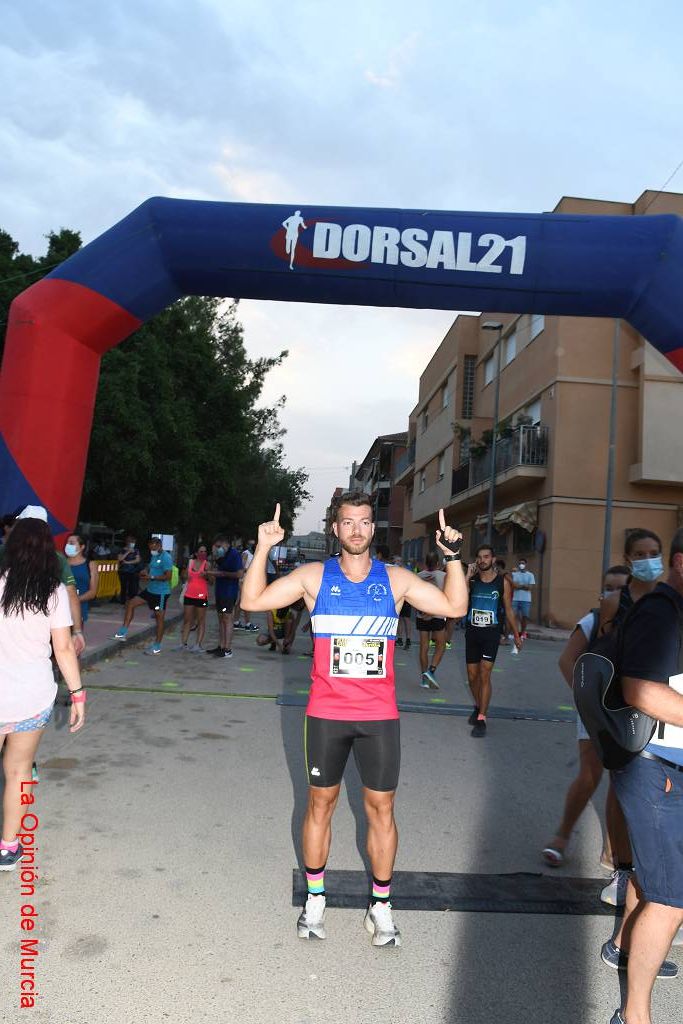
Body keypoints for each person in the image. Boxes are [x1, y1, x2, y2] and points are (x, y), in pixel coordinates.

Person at [240, 491, 468, 946]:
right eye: (348, 522)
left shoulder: (397, 581)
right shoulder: (313, 577)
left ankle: (381, 906)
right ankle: (316, 899)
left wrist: (453, 559)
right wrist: (264, 547)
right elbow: (252, 602)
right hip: (326, 714)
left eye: (365, 522)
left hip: (379, 716)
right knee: (319, 804)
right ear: (336, 529)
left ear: (373, 529)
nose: (358, 530)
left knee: (381, 809)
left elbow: (454, 607)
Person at [605, 527, 683, 1024]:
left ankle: (622, 945)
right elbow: (641, 690)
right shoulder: (662, 613)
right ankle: (635, 1016)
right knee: (672, 899)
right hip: (656, 767)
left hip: (667, 766)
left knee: (656, 880)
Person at [0, 518, 86, 870]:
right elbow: (63, 648)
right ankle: (8, 847)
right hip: (31, 697)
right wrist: (78, 694)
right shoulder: (53, 592)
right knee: (19, 771)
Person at [542, 564, 631, 869]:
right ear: (600, 592)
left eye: (622, 587)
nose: (615, 593)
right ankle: (562, 836)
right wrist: (587, 701)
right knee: (591, 774)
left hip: (630, 713)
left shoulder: (642, 621)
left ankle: (611, 850)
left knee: (622, 781)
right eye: (610, 587)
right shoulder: (591, 621)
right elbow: (567, 660)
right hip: (595, 710)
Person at [594, 529, 664, 907]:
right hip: (622, 705)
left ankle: (652, 876)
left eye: (655, 552)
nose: (649, 558)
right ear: (628, 556)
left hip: (661, 703)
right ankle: (620, 866)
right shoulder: (613, 602)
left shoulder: (670, 601)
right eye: (641, 553)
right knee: (621, 787)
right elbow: (602, 654)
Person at [1, 507, 86, 657]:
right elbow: (71, 593)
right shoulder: (57, 559)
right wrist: (77, 631)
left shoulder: (3, 551)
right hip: (39, 628)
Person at [465, 544, 520, 738]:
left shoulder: (501, 582)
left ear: (493, 559)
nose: (482, 560)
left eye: (486, 557)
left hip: (491, 634)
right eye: (479, 557)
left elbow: (509, 610)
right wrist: (466, 577)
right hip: (472, 632)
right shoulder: (471, 581)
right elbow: (460, 600)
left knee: (484, 673)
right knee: (472, 676)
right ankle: (479, 705)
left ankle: (482, 717)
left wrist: (517, 634)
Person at [113, 536, 173, 654]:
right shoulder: (154, 556)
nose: (152, 550)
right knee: (131, 603)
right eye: (150, 548)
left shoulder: (166, 557)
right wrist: (145, 572)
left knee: (159, 618)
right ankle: (123, 632)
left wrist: (151, 577)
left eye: (154, 547)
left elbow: (168, 576)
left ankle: (157, 646)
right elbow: (150, 568)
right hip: (150, 590)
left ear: (159, 545)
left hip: (160, 593)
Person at [205, 536, 243, 659]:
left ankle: (227, 649)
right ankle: (221, 646)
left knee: (227, 619)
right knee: (221, 618)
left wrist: (221, 574)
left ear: (225, 545)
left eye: (218, 547)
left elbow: (239, 573)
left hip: (229, 592)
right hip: (220, 591)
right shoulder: (220, 556)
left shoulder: (234, 554)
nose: (216, 549)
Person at [415, 552, 447, 689]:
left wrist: (423, 611)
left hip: (422, 614)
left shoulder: (418, 576)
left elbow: (414, 596)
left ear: (425, 563)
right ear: (438, 563)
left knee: (424, 647)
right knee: (441, 645)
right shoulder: (443, 576)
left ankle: (424, 678)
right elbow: (445, 595)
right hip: (437, 614)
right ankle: (431, 671)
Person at [178, 545, 210, 652]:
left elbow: (212, 581)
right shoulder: (190, 562)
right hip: (189, 594)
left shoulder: (207, 564)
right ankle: (184, 644)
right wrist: (185, 575)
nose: (203, 553)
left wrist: (206, 575)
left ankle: (198, 645)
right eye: (201, 551)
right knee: (187, 620)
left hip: (201, 595)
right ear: (196, 553)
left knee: (201, 620)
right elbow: (183, 576)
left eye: (205, 552)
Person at [64, 534, 98, 632]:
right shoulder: (61, 563)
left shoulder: (90, 565)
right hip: (60, 611)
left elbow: (92, 592)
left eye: (72, 543)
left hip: (78, 611)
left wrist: (74, 600)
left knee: (74, 643)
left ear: (82, 547)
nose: (68, 545)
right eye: (67, 542)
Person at [234, 541, 259, 632]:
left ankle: (236, 622)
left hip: (249, 581)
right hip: (243, 581)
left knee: (241, 602)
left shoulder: (255, 555)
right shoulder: (246, 554)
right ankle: (248, 624)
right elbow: (241, 568)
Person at [510, 557, 535, 638]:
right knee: (514, 616)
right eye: (520, 563)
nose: (521, 565)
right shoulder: (514, 574)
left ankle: (523, 632)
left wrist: (519, 586)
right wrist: (524, 586)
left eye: (523, 563)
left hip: (526, 599)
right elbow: (513, 586)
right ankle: (515, 632)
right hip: (515, 599)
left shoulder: (530, 575)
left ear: (526, 564)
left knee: (525, 616)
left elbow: (530, 587)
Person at [117, 535, 142, 605]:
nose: (133, 543)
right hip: (123, 571)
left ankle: (131, 600)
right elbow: (120, 559)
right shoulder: (122, 550)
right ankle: (123, 601)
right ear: (127, 542)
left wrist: (127, 562)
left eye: (134, 542)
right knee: (124, 586)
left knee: (132, 587)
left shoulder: (136, 550)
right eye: (131, 542)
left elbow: (137, 560)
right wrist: (128, 552)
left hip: (133, 571)